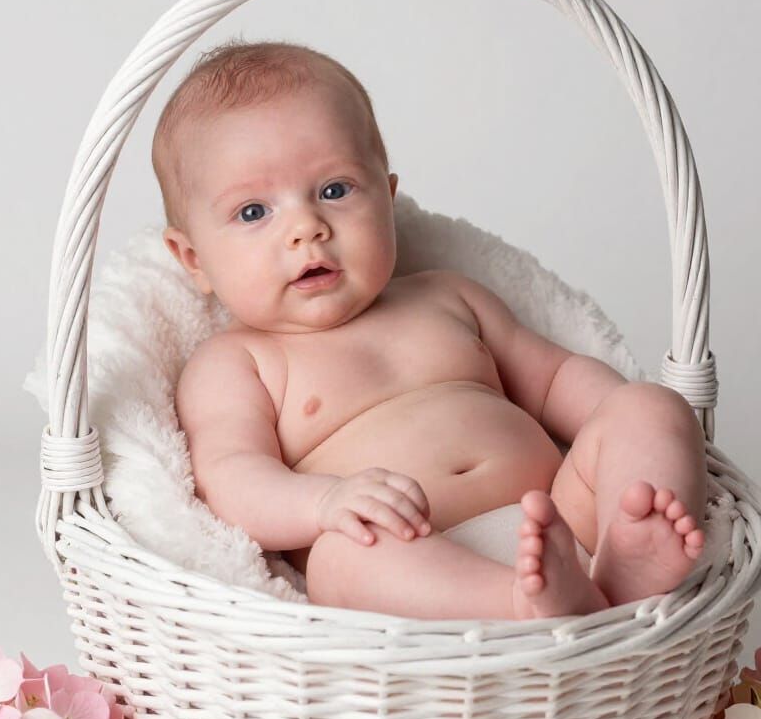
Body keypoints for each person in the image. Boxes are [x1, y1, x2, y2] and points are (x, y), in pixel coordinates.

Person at [151, 37, 708, 620]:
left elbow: (556, 378)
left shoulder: (447, 296)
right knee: (341, 560)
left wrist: (627, 433)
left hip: (561, 521)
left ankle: (626, 556)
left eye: (334, 191)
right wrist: (326, 503)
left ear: (388, 201)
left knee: (649, 405)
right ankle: (520, 605)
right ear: (192, 259)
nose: (306, 228)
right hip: (415, 561)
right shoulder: (238, 362)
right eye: (253, 212)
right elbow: (232, 478)